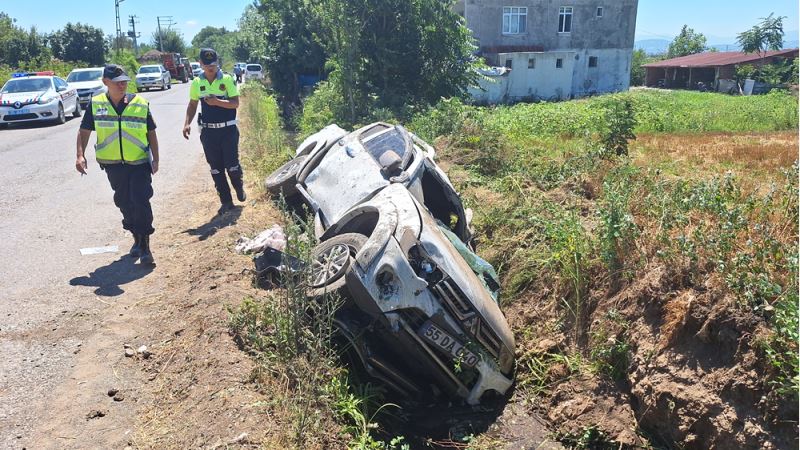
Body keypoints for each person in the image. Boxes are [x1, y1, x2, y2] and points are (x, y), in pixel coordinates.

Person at [75, 64, 160, 265]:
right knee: (124, 202)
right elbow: (84, 131)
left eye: (124, 82)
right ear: (105, 82)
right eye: (117, 82)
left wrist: (156, 158)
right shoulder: (96, 104)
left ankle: (146, 246)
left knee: (141, 200)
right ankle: (136, 238)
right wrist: (80, 155)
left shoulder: (139, 103)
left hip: (139, 162)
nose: (122, 85)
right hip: (113, 164)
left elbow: (151, 132)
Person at [182, 48, 246, 215]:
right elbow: (193, 104)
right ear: (201, 64)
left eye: (214, 65)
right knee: (216, 169)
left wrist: (217, 102)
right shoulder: (197, 83)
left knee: (231, 166)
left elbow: (235, 103)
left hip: (228, 130)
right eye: (207, 65)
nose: (211, 68)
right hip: (209, 133)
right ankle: (226, 201)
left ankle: (239, 187)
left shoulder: (227, 80)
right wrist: (186, 123)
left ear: (218, 64)